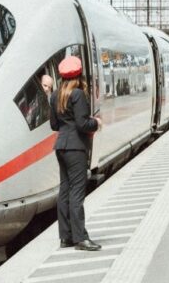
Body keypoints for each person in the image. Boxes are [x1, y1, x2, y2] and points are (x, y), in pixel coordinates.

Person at [49, 56, 102, 251]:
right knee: (77, 193)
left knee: (65, 191)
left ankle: (66, 237)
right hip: (76, 148)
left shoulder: (55, 95)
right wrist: (96, 122)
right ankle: (81, 239)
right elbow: (82, 124)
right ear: (79, 74)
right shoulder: (77, 94)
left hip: (61, 147)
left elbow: (54, 125)